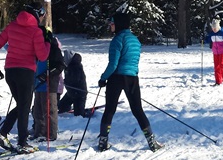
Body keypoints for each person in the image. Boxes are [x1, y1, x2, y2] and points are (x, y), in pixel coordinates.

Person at [97, 10, 162, 152]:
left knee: (109, 109)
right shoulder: (135, 40)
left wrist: (103, 78)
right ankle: (152, 142)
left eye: (112, 24)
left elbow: (113, 64)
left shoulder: (117, 40)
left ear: (118, 24)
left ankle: (103, 142)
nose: (110, 26)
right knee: (138, 110)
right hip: (132, 77)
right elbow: (135, 61)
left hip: (116, 77)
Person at [0, 2, 50, 152]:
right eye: (42, 13)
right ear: (37, 13)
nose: (42, 17)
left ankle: (3, 135)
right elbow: (43, 56)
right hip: (26, 72)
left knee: (22, 106)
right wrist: (47, 41)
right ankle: (22, 142)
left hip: (10, 71)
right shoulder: (36, 31)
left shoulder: (13, 25)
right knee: (24, 107)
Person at [32, 28, 65, 142]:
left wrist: (47, 74)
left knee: (49, 110)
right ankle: (39, 132)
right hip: (37, 84)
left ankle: (51, 134)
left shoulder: (53, 48)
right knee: (37, 110)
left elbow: (60, 65)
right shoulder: (36, 48)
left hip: (49, 84)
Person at [204, 17, 223, 86]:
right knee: (216, 66)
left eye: (215, 28)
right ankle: (218, 81)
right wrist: (203, 39)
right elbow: (208, 40)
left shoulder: (222, 33)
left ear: (218, 27)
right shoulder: (212, 33)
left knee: (221, 64)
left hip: (222, 51)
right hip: (215, 51)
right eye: (213, 28)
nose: (214, 30)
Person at [58, 52, 88, 117]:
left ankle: (81, 111)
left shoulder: (76, 66)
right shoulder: (68, 66)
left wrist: (65, 82)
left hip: (79, 93)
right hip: (71, 92)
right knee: (61, 106)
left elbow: (75, 79)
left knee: (78, 115)